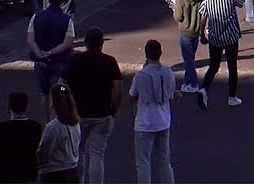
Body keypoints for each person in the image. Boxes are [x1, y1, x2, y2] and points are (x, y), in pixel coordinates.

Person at [58, 26, 122, 184]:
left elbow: (61, 84)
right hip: (102, 113)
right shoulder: (109, 62)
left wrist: (65, 104)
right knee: (97, 154)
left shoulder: (75, 60)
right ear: (102, 44)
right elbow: (117, 89)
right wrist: (113, 110)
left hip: (78, 113)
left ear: (86, 43)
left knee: (77, 153)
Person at [131, 39, 177, 184]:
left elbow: (132, 94)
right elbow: (170, 93)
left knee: (143, 163)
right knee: (164, 160)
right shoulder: (167, 72)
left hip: (145, 122)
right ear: (160, 53)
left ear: (146, 54)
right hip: (163, 120)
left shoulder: (140, 75)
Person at [197, 0, 244, 109]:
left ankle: (204, 88)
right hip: (230, 37)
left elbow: (203, 18)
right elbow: (242, 0)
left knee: (213, 66)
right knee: (232, 66)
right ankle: (232, 97)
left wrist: (202, 34)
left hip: (214, 37)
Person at [28, 0, 74, 120]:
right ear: (61, 1)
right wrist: (50, 52)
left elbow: (30, 40)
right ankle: (55, 121)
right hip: (59, 61)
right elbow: (67, 43)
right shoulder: (67, 19)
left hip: (40, 62)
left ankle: (48, 120)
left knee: (44, 93)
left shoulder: (36, 17)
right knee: (58, 94)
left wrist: (40, 54)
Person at [0, 91, 43, 184]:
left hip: (5, 173)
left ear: (9, 107)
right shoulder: (35, 127)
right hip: (26, 173)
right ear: (26, 107)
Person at [36, 83, 81, 183]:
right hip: (72, 171)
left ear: (53, 102)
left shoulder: (54, 126)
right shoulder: (75, 123)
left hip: (54, 173)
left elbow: (44, 151)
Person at [171, 0, 203, 93]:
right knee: (190, 58)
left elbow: (178, 17)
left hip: (185, 31)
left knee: (188, 60)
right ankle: (187, 82)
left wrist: (174, 9)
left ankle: (193, 83)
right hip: (196, 30)